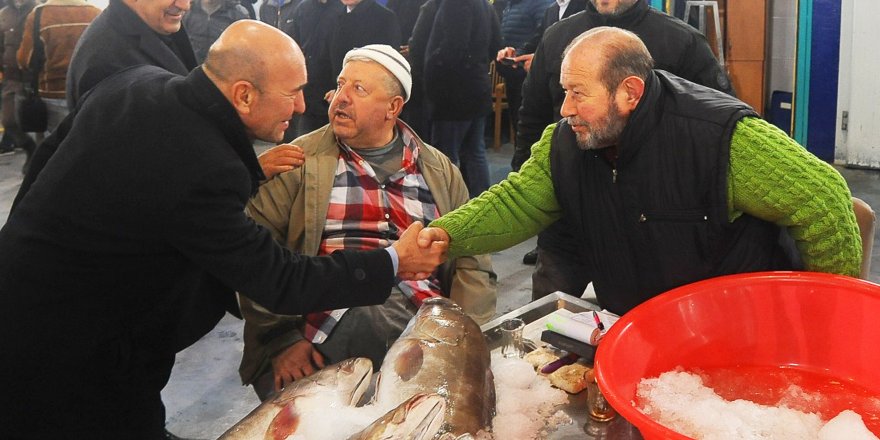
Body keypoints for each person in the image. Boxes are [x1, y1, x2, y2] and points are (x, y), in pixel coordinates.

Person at [0, 21, 445, 437]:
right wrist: (395, 261)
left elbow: (42, 168)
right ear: (244, 95)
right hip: (73, 354)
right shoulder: (207, 169)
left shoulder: (135, 83)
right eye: (292, 93)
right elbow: (280, 279)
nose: (307, 106)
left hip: (26, 296)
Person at [418, 27, 861, 318]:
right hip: (640, 329)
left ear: (629, 93)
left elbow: (824, 200)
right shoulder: (566, 143)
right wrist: (445, 235)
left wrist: (826, 318)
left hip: (739, 332)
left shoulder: (720, 137)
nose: (565, 108)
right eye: (563, 91)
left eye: (577, 93)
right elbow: (515, 203)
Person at [238, 45, 497, 400]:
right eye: (341, 85)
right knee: (370, 319)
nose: (340, 98)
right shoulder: (297, 162)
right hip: (328, 313)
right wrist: (280, 338)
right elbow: (253, 254)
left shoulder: (438, 170)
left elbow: (473, 261)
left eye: (359, 90)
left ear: (394, 108)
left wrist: (469, 337)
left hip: (425, 318)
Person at [513, 0, 734, 292]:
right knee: (552, 318)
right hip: (570, 213)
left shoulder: (681, 41)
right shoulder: (557, 37)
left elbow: (718, 127)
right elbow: (533, 116)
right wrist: (526, 179)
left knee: (646, 316)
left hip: (653, 218)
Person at [409, 0, 500, 197]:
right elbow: (495, 44)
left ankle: (445, 207)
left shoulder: (455, 3)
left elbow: (452, 47)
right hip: (475, 87)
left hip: (451, 94)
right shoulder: (484, 4)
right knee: (475, 152)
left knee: (443, 158)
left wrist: (431, 68)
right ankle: (481, 206)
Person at [16, 0, 101, 134]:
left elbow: (25, 60)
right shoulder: (95, 13)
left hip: (53, 91)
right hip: (88, 90)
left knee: (55, 145)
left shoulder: (39, 14)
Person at [493, 0, 553, 134]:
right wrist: (513, 53)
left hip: (530, 78)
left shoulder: (541, 4)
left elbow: (544, 36)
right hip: (512, 74)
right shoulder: (510, 5)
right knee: (518, 125)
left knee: (529, 128)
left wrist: (534, 57)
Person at [287, 0, 344, 137]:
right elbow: (294, 44)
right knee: (304, 144)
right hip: (306, 90)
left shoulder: (343, 10)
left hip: (333, 90)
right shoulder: (302, 8)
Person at [0, 0, 37, 157]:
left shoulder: (38, 10)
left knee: (40, 124)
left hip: (33, 77)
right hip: (11, 77)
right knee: (8, 120)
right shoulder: (4, 14)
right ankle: (30, 148)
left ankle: (40, 160)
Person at [183, 0, 249, 63]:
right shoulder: (187, 10)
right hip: (192, 65)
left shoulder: (237, 13)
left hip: (224, 66)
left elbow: (245, 48)